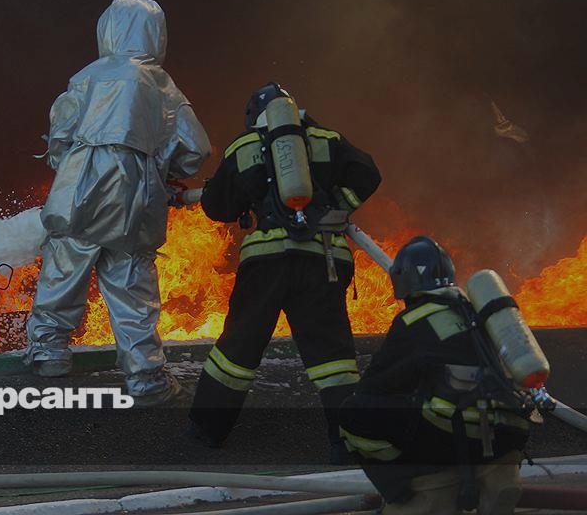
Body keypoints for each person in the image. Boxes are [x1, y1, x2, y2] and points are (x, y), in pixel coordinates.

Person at [23, 0, 211, 406]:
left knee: (65, 265)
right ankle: (146, 378)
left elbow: (60, 134)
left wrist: (68, 165)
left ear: (107, 31)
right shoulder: (162, 84)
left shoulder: (85, 77)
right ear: (155, 35)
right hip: (136, 194)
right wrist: (162, 167)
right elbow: (195, 148)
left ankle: (49, 352)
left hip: (79, 184)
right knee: (131, 282)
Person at [188, 82, 381, 461]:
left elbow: (217, 207)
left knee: (237, 349)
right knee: (333, 357)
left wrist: (248, 198)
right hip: (323, 257)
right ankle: (348, 442)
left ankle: (207, 431)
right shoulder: (326, 138)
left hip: (267, 260)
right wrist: (336, 207)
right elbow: (368, 174)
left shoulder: (244, 146)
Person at [339, 236, 532, 514]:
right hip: (508, 432)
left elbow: (374, 388)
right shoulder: (480, 312)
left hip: (453, 434)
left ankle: (413, 489)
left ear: (403, 281)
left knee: (354, 413)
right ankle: (496, 477)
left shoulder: (412, 321)